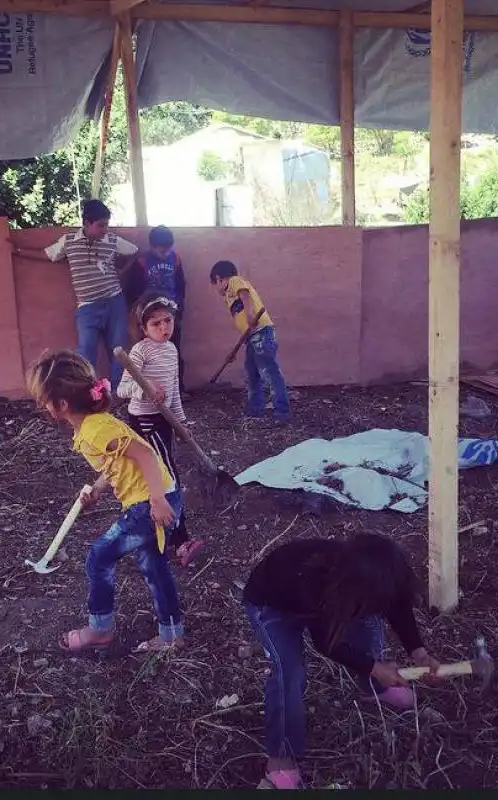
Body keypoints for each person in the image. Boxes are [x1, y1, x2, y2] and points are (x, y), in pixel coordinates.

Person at [243, 534, 441, 790]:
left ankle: (374, 689)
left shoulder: (378, 574)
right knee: (288, 671)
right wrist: (374, 667)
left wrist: (419, 653)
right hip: (271, 605)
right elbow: (327, 643)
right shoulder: (318, 581)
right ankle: (280, 758)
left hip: (327, 600)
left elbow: (397, 606)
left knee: (368, 623)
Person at [26, 349, 185, 653]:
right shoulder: (96, 424)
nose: (43, 406)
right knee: (154, 566)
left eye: (44, 400)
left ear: (60, 405)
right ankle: (172, 634)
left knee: (98, 558)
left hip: (148, 505)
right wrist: (98, 489)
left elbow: (145, 454)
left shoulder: (95, 431)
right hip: (161, 496)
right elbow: (119, 463)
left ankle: (100, 629)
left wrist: (156, 501)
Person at [13, 199, 139, 391]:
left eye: (106, 224)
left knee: (117, 349)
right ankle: (89, 391)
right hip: (87, 307)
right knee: (85, 351)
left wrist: (123, 270)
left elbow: (134, 252)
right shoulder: (69, 241)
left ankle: (117, 391)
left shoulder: (112, 240)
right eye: (101, 225)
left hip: (114, 302)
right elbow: (48, 255)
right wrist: (18, 251)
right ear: (87, 223)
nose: (105, 229)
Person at [117, 292, 204, 567]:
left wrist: (181, 423)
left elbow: (174, 391)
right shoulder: (140, 351)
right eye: (155, 324)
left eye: (168, 321)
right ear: (143, 328)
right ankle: (180, 541)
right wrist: (146, 389)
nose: (164, 328)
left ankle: (155, 535)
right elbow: (121, 389)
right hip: (145, 422)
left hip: (164, 420)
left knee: (159, 476)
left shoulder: (171, 349)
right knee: (168, 477)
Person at [209, 260, 290, 422]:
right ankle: (255, 409)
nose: (216, 289)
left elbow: (245, 294)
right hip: (252, 337)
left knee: (270, 373)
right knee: (252, 374)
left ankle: (282, 412)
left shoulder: (234, 281)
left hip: (261, 332)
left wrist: (250, 315)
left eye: (214, 284)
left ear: (219, 279)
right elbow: (243, 324)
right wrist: (235, 350)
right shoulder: (229, 297)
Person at [124, 226, 187, 392]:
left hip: (171, 312)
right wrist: (138, 313)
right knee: (149, 353)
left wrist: (179, 307)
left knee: (174, 351)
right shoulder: (142, 262)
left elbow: (181, 285)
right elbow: (132, 290)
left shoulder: (176, 259)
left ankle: (178, 389)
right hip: (149, 316)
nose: (166, 253)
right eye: (162, 250)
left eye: (168, 248)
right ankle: (149, 390)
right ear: (152, 246)